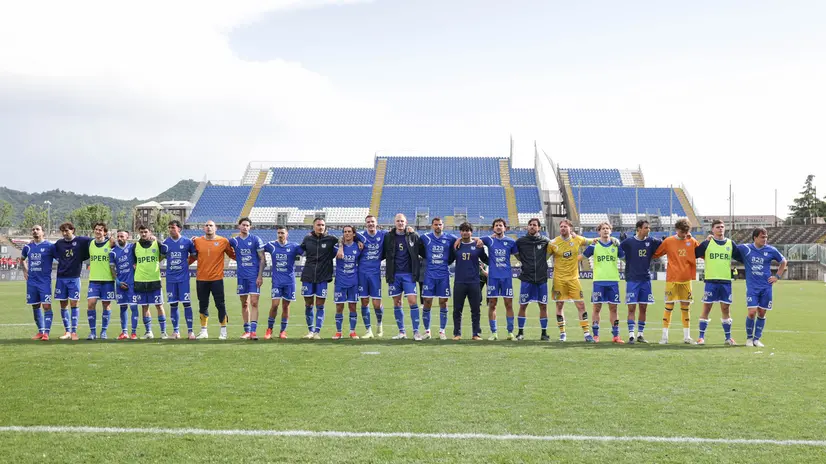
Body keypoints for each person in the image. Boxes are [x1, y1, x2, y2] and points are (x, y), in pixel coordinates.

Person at [547, 219, 603, 342]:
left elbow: (592, 241)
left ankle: (587, 333)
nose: (562, 228)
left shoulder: (577, 239)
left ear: (570, 228)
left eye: (565, 226)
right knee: (559, 305)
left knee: (581, 305)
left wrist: (611, 239)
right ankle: (562, 333)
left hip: (573, 279)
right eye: (561, 226)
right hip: (559, 279)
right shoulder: (553, 243)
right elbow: (544, 257)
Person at [735, 227, 787, 347]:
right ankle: (749, 338)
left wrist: (777, 276)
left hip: (766, 286)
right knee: (752, 312)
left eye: (766, 237)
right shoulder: (746, 248)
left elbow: (783, 261)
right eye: (762, 237)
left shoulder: (771, 250)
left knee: (762, 313)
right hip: (752, 287)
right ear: (755, 238)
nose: (765, 239)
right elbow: (731, 247)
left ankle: (756, 339)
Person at [652, 219, 701, 345]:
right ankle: (664, 337)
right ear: (677, 229)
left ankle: (687, 337)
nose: (684, 234)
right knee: (669, 307)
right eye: (682, 231)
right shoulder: (668, 241)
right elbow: (656, 254)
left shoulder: (692, 241)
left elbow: (701, 252)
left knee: (686, 307)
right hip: (672, 280)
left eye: (686, 232)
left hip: (686, 280)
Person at [694, 220, 742, 345]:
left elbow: (741, 257)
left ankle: (728, 338)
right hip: (711, 281)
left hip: (726, 281)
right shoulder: (707, 243)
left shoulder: (730, 244)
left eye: (722, 227)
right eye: (717, 227)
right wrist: (704, 241)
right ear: (713, 229)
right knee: (707, 307)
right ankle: (701, 337)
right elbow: (695, 253)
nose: (720, 229)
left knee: (726, 308)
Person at [189, 221, 236, 340]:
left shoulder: (223, 241)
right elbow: (193, 257)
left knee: (220, 305)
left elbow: (233, 255)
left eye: (211, 225)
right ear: (203, 228)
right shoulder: (197, 241)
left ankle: (223, 331)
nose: (209, 227)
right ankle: (204, 331)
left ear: (216, 228)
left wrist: (248, 261)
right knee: (203, 305)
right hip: (201, 279)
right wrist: (182, 266)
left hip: (217, 279)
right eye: (206, 225)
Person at [619, 220, 663, 343]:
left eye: (649, 228)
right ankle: (631, 335)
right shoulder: (629, 242)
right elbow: (617, 249)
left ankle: (640, 334)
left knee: (643, 308)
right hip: (632, 280)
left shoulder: (652, 241)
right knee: (631, 308)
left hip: (645, 280)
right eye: (645, 227)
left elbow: (666, 245)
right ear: (638, 229)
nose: (648, 230)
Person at [583, 222, 626, 343]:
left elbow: (626, 259)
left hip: (613, 281)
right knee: (597, 308)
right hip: (598, 281)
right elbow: (581, 257)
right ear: (599, 232)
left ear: (611, 231)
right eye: (603, 229)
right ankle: (596, 335)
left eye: (607, 228)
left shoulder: (616, 245)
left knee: (614, 309)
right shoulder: (594, 246)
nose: (605, 230)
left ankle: (616, 336)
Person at [383, 213, 423, 340]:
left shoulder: (413, 235)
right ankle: (402, 332)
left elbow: (421, 250)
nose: (400, 223)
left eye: (402, 221)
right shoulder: (388, 236)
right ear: (395, 223)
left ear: (406, 223)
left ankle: (416, 331)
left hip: (409, 274)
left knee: (412, 301)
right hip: (394, 275)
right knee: (397, 302)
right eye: (398, 221)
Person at [53, 222, 95, 340]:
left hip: (74, 278)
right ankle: (67, 331)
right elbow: (52, 252)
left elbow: (95, 241)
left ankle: (74, 332)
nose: (65, 233)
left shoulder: (81, 240)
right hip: (61, 277)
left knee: (74, 303)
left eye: (67, 230)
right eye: (63, 231)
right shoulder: (59, 243)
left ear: (73, 230)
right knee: (63, 304)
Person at [513, 218, 553, 341]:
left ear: (539, 228)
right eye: (530, 225)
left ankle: (544, 333)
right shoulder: (521, 241)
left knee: (543, 306)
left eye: (534, 225)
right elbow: (515, 253)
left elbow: (553, 249)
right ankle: (520, 332)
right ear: (527, 227)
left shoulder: (545, 241)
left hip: (541, 279)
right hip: (527, 279)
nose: (532, 227)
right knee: (523, 305)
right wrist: (524, 261)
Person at [299, 218, 339, 340]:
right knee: (308, 303)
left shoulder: (331, 239)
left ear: (325, 227)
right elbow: (299, 251)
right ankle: (310, 330)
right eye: (318, 225)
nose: (320, 227)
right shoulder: (307, 239)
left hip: (323, 276)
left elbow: (346, 239)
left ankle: (317, 331)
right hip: (308, 275)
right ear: (313, 226)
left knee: (320, 305)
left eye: (322, 225)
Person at [419, 217, 458, 340]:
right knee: (427, 302)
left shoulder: (450, 238)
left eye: (440, 224)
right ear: (432, 226)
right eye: (435, 224)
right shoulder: (426, 237)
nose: (438, 227)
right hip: (429, 275)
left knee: (443, 302)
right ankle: (427, 331)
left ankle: (442, 331)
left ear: (443, 226)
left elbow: (462, 240)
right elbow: (415, 239)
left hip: (443, 275)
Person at [480, 218, 518, 341]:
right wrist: (459, 239)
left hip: (506, 277)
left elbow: (519, 255)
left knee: (508, 304)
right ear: (493, 228)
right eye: (496, 225)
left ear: (505, 228)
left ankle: (510, 332)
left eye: (500, 225)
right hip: (493, 278)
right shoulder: (489, 240)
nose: (498, 227)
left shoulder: (511, 242)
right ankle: (494, 332)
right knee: (492, 304)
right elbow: (474, 240)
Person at [263, 226, 304, 339]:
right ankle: (269, 329)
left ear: (287, 234)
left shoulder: (294, 246)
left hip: (289, 281)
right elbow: (258, 249)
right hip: (277, 281)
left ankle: (283, 331)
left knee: (286, 306)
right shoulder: (271, 245)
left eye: (282, 233)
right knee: (275, 305)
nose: (280, 235)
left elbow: (305, 252)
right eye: (279, 233)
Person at [229, 217, 266, 340]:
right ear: (239, 226)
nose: (245, 227)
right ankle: (247, 331)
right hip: (241, 276)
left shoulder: (255, 239)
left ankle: (253, 332)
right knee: (244, 303)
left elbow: (262, 259)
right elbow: (221, 244)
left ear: (250, 227)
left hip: (253, 276)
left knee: (254, 302)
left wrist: (260, 276)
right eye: (243, 225)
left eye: (247, 225)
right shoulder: (234, 241)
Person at [452, 222, 488, 340]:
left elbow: (487, 260)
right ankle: (457, 333)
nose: (465, 232)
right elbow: (447, 260)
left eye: (467, 230)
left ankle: (476, 334)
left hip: (474, 282)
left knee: (476, 309)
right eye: (463, 230)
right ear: (460, 232)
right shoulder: (456, 246)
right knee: (457, 309)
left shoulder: (478, 246)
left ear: (471, 232)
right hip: (459, 282)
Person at [353, 215, 387, 338]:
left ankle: (379, 323)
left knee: (377, 304)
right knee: (364, 302)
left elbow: (396, 233)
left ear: (376, 223)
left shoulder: (383, 235)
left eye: (372, 222)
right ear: (365, 224)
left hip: (375, 274)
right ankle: (368, 330)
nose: (370, 224)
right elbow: (345, 237)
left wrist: (408, 230)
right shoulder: (360, 236)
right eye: (368, 222)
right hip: (362, 273)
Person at [131, 225, 167, 339]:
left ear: (150, 232)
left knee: (159, 305)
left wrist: (158, 240)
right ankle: (148, 332)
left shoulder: (157, 244)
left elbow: (165, 253)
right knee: (144, 306)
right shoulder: (135, 246)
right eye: (141, 232)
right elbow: (133, 262)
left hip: (155, 279)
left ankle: (163, 332)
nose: (143, 234)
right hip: (140, 280)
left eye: (145, 232)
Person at [21, 225, 56, 340]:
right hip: (32, 282)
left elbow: (60, 259)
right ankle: (40, 331)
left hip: (44, 281)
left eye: (37, 229)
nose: (35, 231)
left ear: (43, 232)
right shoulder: (27, 247)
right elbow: (22, 259)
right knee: (35, 305)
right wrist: (25, 271)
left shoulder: (50, 246)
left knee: (46, 306)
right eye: (33, 229)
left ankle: (46, 333)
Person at [163, 220, 197, 339]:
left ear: (179, 229)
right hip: (171, 278)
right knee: (173, 304)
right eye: (169, 228)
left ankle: (190, 331)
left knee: (187, 303)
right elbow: (160, 256)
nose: (171, 230)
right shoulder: (165, 243)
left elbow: (195, 255)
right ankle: (176, 331)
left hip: (183, 278)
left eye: (173, 227)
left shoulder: (187, 242)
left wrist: (186, 263)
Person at [332, 225, 362, 339]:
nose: (347, 233)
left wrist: (359, 240)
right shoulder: (337, 247)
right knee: (339, 307)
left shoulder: (358, 247)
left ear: (354, 234)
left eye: (349, 231)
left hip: (353, 282)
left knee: (352, 307)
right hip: (340, 282)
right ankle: (338, 332)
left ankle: (352, 331)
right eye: (345, 231)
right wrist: (340, 245)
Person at [109, 230, 140, 340]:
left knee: (133, 307)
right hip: (120, 284)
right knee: (123, 308)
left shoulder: (133, 248)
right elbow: (112, 269)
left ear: (128, 237)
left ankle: (134, 333)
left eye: (122, 236)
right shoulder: (113, 252)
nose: (119, 238)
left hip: (132, 283)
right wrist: (117, 282)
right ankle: (124, 332)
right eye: (118, 236)